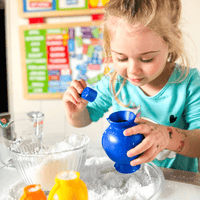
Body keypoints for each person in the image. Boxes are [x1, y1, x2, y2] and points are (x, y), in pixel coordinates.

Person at [63, 0, 200, 172]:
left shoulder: (189, 84)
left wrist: (166, 137)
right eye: (121, 58)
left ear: (171, 42)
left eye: (147, 59)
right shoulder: (114, 83)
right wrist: (76, 113)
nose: (133, 71)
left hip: (179, 182)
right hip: (132, 180)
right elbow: (86, 118)